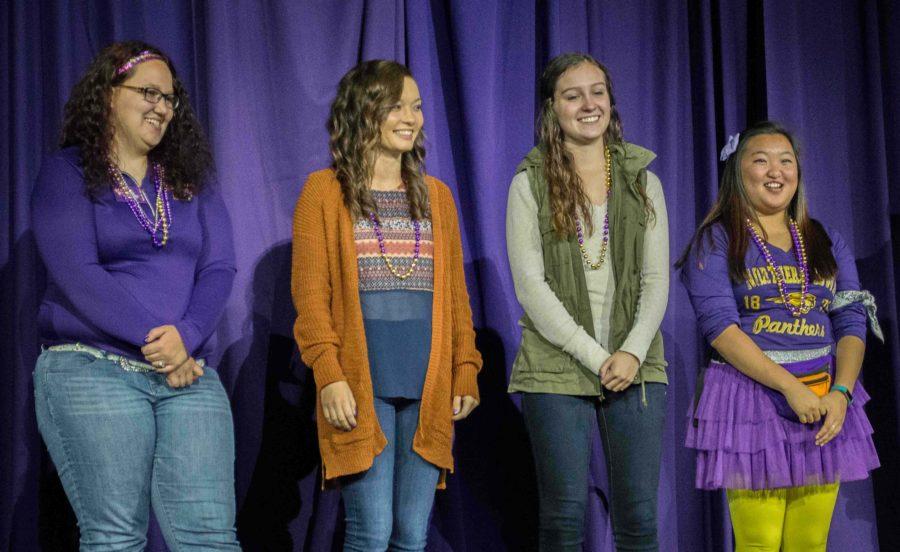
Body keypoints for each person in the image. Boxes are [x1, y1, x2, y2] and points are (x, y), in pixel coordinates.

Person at [30, 41, 240, 551]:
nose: (162, 107)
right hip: (92, 369)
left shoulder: (191, 181)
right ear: (107, 96)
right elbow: (79, 273)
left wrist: (186, 339)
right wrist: (161, 342)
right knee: (117, 537)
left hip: (187, 373)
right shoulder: (68, 172)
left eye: (171, 99)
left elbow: (219, 268)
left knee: (211, 539)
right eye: (149, 92)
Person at [291, 59, 482, 552]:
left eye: (416, 107)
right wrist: (329, 374)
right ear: (363, 111)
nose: (410, 117)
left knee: (411, 536)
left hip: (428, 381)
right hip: (360, 382)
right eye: (396, 105)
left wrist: (465, 369)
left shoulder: (437, 197)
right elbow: (311, 297)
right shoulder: (324, 192)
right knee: (371, 533)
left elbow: (456, 298)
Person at [678, 121, 880, 551]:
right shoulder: (716, 241)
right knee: (760, 543)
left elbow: (851, 322)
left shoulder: (824, 240)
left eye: (786, 161)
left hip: (824, 398)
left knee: (810, 543)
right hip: (750, 401)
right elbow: (721, 330)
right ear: (738, 172)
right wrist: (790, 389)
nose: (776, 170)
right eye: (761, 160)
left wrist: (841, 392)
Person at [506, 52, 669, 551]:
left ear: (611, 102)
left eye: (597, 91)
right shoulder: (528, 183)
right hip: (556, 364)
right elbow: (530, 287)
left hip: (635, 363)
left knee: (639, 518)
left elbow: (656, 279)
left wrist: (633, 351)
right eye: (572, 95)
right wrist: (598, 358)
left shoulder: (643, 181)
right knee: (563, 517)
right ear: (552, 108)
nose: (587, 104)